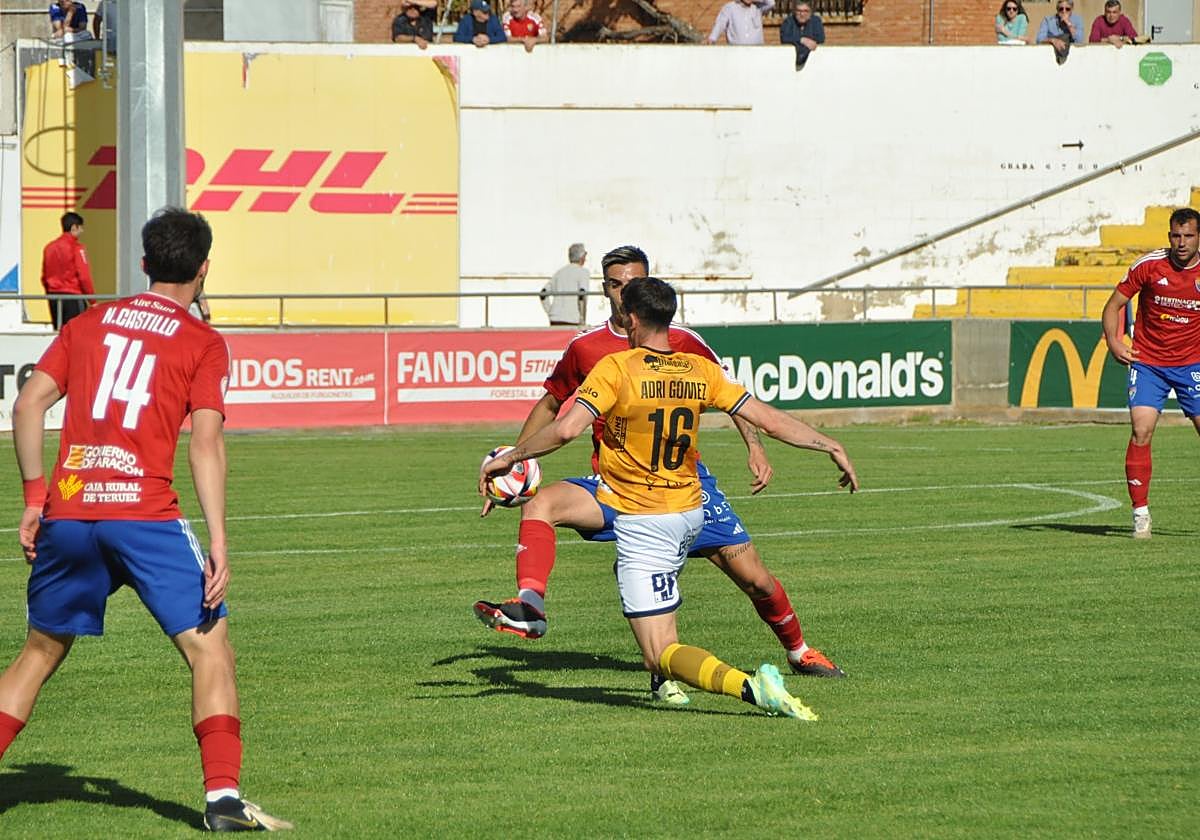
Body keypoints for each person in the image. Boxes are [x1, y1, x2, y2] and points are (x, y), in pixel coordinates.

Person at [0, 208, 291, 832]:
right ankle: (222, 801)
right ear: (204, 267)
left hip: (71, 510)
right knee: (211, 649)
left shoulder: (93, 320)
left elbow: (27, 405)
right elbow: (205, 442)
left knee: (38, 654)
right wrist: (217, 538)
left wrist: (33, 497)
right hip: (144, 514)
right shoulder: (203, 342)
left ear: (143, 263)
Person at [474, 245, 847, 709]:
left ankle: (792, 654)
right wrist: (827, 442)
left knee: (753, 582)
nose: (622, 293)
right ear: (609, 290)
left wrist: (512, 459)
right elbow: (762, 411)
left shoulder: (642, 359)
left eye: (632, 286)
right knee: (542, 503)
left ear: (638, 307)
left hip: (671, 499)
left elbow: (566, 427)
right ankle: (531, 603)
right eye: (616, 284)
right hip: (630, 493)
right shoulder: (593, 350)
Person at [1100, 207, 1200, 540]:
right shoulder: (1149, 265)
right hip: (1149, 362)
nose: (1181, 242)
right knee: (1141, 430)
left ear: (1199, 237)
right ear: (1169, 235)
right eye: (1176, 235)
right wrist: (1115, 342)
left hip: (1192, 365)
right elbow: (1113, 305)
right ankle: (1140, 514)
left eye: (1188, 236)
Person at [40, 211, 95, 330]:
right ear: (74, 227)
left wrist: (50, 292)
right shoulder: (77, 248)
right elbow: (84, 277)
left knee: (59, 334)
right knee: (77, 333)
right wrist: (93, 300)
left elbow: (44, 277)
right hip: (73, 297)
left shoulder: (49, 248)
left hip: (54, 298)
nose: (82, 231)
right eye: (81, 228)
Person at [540, 242, 589, 327]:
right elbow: (582, 295)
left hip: (555, 318)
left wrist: (550, 311)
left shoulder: (559, 273)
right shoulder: (583, 272)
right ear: (582, 257)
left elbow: (543, 293)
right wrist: (582, 319)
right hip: (572, 318)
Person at [705, 0, 774, 46]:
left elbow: (771, 3)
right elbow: (720, 24)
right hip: (736, 53)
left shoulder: (758, 8)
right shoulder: (730, 8)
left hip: (757, 53)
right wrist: (712, 38)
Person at [779, 1, 825, 69]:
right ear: (795, 11)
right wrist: (801, 40)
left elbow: (821, 38)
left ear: (810, 12)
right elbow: (784, 38)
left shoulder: (816, 21)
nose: (802, 14)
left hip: (812, 64)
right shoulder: (788, 21)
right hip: (789, 64)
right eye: (799, 11)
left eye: (805, 11)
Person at [1036, 0, 1084, 65]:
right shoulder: (1048, 20)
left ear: (1072, 9)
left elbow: (1079, 40)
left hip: (1073, 61)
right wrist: (1053, 40)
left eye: (1067, 9)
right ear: (1057, 9)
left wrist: (1068, 24)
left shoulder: (1078, 20)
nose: (1064, 11)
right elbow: (1039, 39)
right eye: (1061, 9)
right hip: (1049, 60)